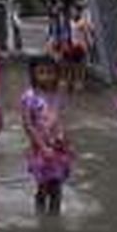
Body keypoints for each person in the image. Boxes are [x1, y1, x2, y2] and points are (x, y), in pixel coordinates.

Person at [21, 55, 73, 215]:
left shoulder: (57, 95)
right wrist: (42, 147)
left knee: (57, 186)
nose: (47, 76)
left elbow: (59, 118)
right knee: (43, 187)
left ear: (56, 73)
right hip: (40, 149)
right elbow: (28, 125)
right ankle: (40, 216)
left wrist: (63, 136)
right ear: (33, 75)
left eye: (50, 72)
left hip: (57, 147)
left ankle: (54, 221)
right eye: (41, 72)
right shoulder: (29, 97)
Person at [67, 3, 94, 92]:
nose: (72, 12)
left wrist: (89, 44)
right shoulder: (70, 21)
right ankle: (75, 80)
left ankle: (80, 82)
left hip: (81, 45)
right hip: (73, 45)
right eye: (71, 10)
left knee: (81, 65)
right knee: (74, 65)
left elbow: (87, 34)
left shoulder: (82, 21)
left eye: (74, 10)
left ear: (78, 11)